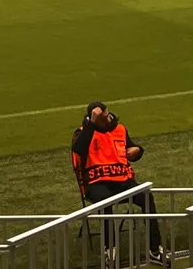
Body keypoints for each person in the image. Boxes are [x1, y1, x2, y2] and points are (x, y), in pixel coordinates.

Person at [70, 102, 165, 264]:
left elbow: (132, 148)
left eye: (108, 115)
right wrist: (91, 125)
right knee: (106, 200)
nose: (109, 119)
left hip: (123, 181)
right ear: (94, 119)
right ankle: (110, 250)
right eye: (104, 118)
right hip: (96, 183)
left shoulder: (120, 129)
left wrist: (138, 151)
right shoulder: (82, 134)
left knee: (146, 196)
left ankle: (155, 249)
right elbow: (78, 150)